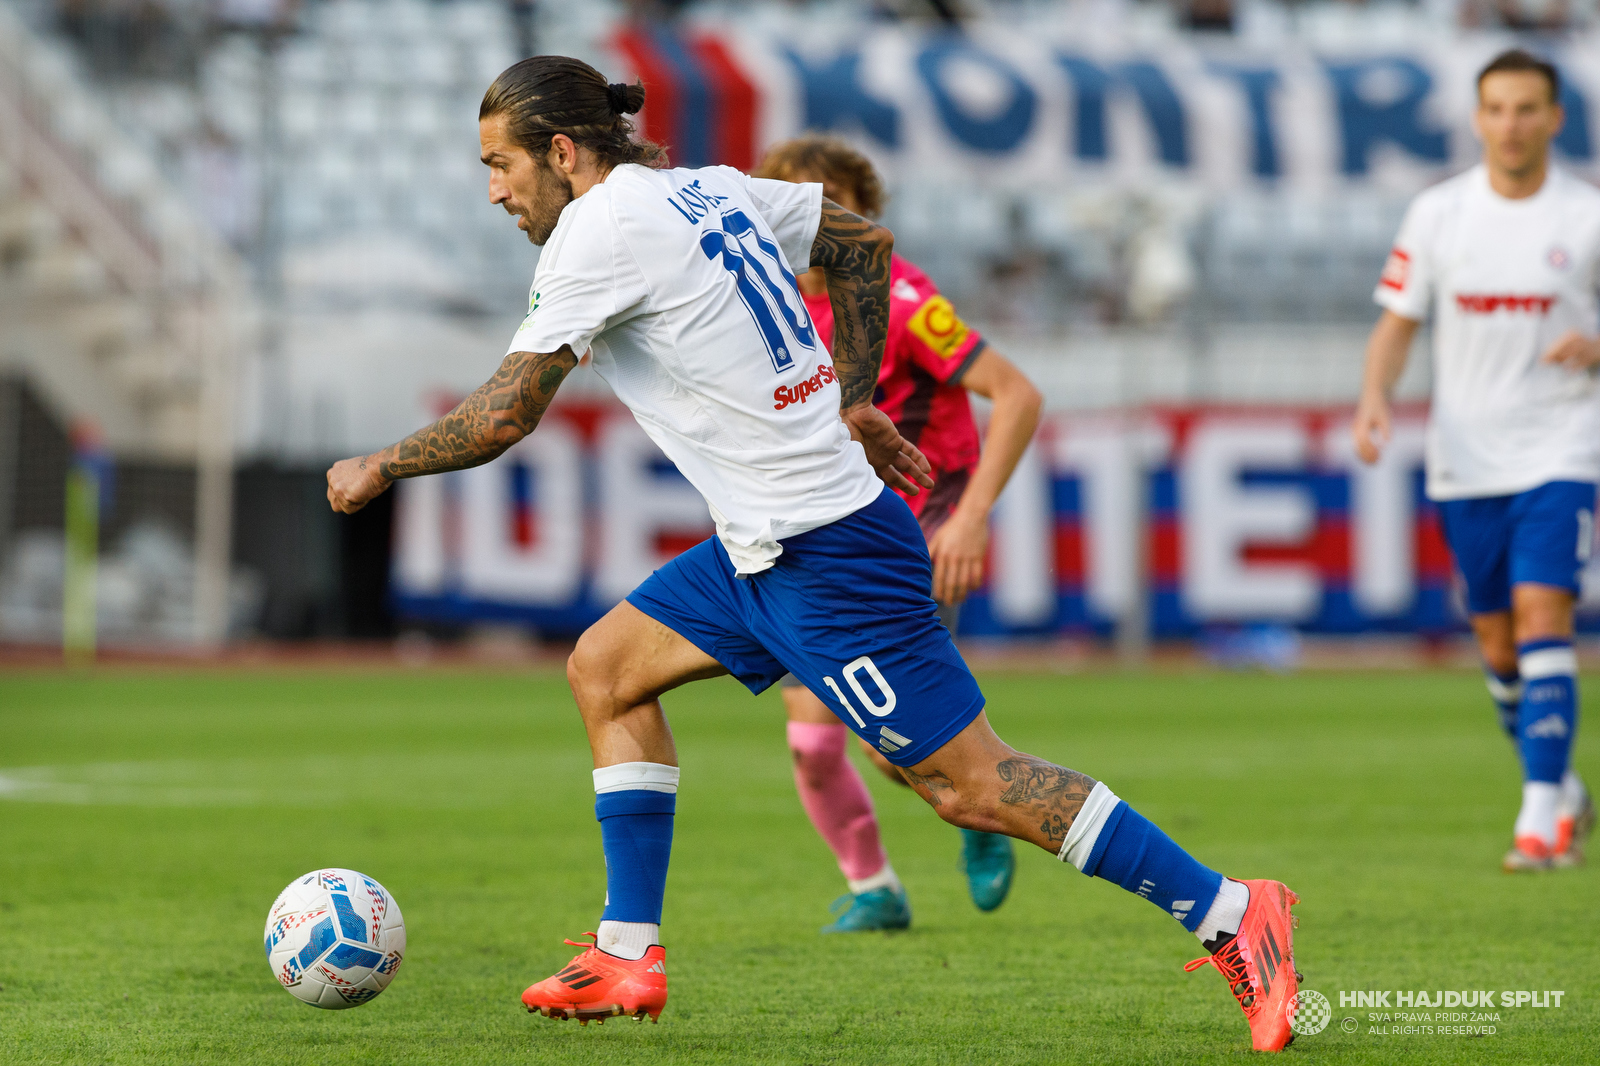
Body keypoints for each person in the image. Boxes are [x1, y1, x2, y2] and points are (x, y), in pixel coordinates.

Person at [326, 55, 1302, 1052]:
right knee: (605, 671)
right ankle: (626, 952)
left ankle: (1232, 911)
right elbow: (863, 242)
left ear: (563, 152)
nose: (494, 189)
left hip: (827, 551)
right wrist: (854, 394)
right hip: (762, 545)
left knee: (970, 784)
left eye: (501, 164)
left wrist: (381, 463)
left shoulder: (596, 233)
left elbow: (504, 412)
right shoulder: (706, 186)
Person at [753, 136, 1042, 931]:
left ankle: (986, 809)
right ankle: (874, 887)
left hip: (912, 535)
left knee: (889, 743)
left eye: (829, 198)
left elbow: (1016, 394)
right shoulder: (768, 306)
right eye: (794, 198)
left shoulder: (905, 302)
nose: (810, 215)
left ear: (862, 210)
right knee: (814, 746)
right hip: (817, 542)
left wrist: (971, 517)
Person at [1352, 48, 1596, 872]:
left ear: (1555, 119)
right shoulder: (1439, 214)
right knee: (1497, 644)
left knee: (1542, 617)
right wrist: (1375, 397)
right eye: (1497, 109)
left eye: (1528, 109)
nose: (1512, 125)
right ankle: (1558, 782)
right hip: (1466, 457)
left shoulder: (1587, 218)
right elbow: (1397, 319)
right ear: (1477, 117)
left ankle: (1539, 821)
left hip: (1563, 447)